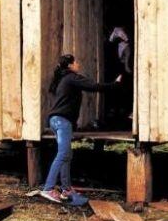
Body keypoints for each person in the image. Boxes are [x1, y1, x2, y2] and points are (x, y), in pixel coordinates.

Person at [40, 54, 122, 204]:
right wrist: (115, 84)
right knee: (63, 153)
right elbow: (94, 86)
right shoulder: (72, 77)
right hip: (62, 121)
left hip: (56, 120)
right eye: (76, 62)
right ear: (70, 65)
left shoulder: (64, 79)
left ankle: (66, 189)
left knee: (67, 155)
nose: (78, 64)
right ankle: (48, 188)